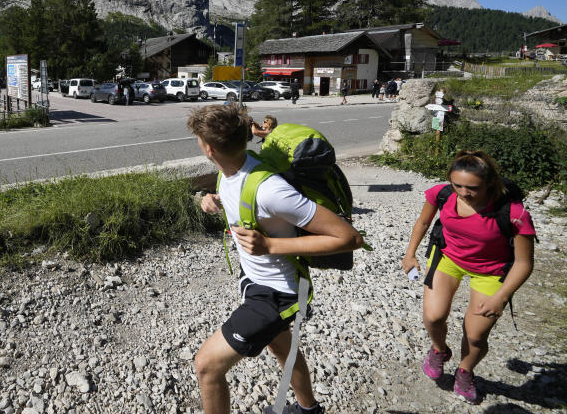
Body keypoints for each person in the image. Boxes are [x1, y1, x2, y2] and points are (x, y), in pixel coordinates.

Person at [187, 105, 362, 414]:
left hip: (278, 294)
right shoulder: (232, 168)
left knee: (207, 366)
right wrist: (211, 199)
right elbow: (238, 196)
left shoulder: (271, 190)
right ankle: (308, 409)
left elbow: (349, 238)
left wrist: (269, 245)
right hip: (254, 280)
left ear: (209, 148)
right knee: (281, 347)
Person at [401, 151, 535, 404]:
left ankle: (465, 371)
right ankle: (440, 350)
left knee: (475, 335)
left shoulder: (514, 213)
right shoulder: (440, 194)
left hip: (492, 270)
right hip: (448, 259)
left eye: (472, 187)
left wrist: (501, 296)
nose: (463, 193)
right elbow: (422, 223)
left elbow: (524, 262)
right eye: (457, 185)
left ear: (490, 183)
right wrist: (410, 254)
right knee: (433, 316)